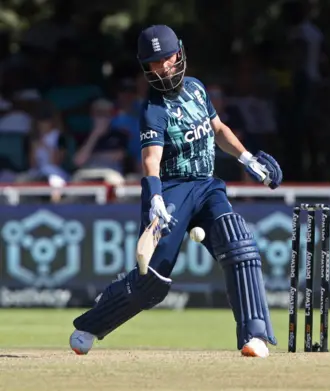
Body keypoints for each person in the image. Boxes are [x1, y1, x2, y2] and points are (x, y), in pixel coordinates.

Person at [68, 25, 283, 358]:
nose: (163, 67)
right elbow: (151, 158)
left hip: (207, 186)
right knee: (151, 283)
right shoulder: (154, 109)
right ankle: (92, 324)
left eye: (167, 58)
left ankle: (253, 336)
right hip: (170, 191)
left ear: (179, 53)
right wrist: (154, 197)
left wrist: (247, 158)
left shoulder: (197, 89)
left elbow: (219, 129)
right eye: (154, 63)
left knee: (239, 244)